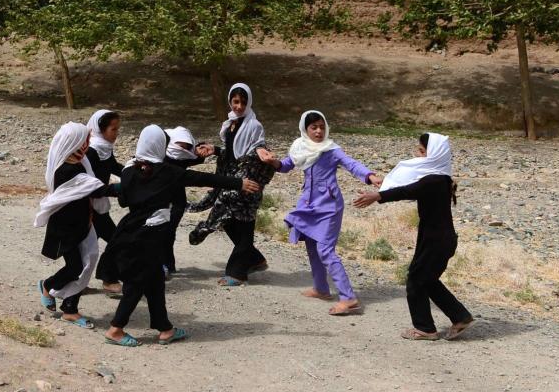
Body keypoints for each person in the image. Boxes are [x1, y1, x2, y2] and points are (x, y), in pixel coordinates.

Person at [105, 126, 260, 347]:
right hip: (147, 237)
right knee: (138, 283)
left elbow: (122, 199)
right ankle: (115, 329)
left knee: (155, 281)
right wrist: (239, 183)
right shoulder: (166, 172)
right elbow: (202, 178)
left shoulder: (130, 171)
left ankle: (165, 329)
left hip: (129, 232)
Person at [257, 110, 380, 315]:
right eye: (313, 127)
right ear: (305, 130)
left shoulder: (331, 150)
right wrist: (272, 162)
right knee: (312, 247)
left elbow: (351, 163)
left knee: (325, 250)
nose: (319, 131)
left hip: (329, 206)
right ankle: (321, 288)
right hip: (309, 204)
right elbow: (286, 165)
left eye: (322, 127)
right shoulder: (301, 148)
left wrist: (370, 176)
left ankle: (348, 297)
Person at [354, 133, 475, 341]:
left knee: (416, 280)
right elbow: (411, 188)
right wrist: (386, 186)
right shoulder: (441, 178)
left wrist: (378, 196)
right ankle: (460, 316)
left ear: (434, 154)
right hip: (438, 239)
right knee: (426, 280)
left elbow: (410, 190)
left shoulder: (434, 180)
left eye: (421, 151)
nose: (417, 154)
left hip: (436, 241)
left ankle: (425, 328)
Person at [188, 82, 276, 286]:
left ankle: (237, 273)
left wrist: (262, 152)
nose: (238, 106)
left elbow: (257, 147)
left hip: (247, 183)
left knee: (243, 225)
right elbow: (233, 152)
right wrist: (215, 150)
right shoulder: (231, 123)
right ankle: (254, 259)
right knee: (228, 221)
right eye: (235, 102)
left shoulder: (254, 125)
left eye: (243, 102)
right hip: (232, 180)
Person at [33, 122, 112, 329]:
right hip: (66, 229)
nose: (87, 144)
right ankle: (48, 285)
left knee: (87, 262)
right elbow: (93, 189)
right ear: (74, 142)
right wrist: (128, 188)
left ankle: (70, 309)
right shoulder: (66, 170)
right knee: (76, 266)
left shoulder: (81, 162)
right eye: (84, 140)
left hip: (83, 224)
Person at [162, 126, 211, 277]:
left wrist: (203, 149)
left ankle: (168, 265)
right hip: (158, 199)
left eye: (186, 147)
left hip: (177, 201)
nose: (182, 150)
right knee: (159, 232)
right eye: (180, 146)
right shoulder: (158, 153)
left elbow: (198, 156)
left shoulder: (185, 156)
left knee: (169, 231)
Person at [86, 109, 125, 294]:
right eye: (113, 129)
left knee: (111, 240)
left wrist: (134, 174)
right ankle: (107, 278)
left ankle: (102, 277)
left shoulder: (103, 148)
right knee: (116, 239)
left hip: (98, 205)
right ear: (100, 129)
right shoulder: (91, 150)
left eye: (118, 129)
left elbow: (113, 167)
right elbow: (89, 185)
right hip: (87, 207)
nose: (116, 134)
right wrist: (115, 190)